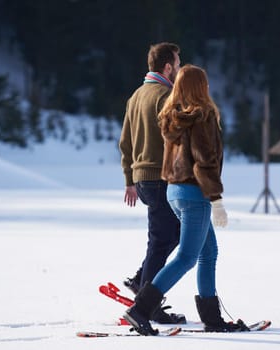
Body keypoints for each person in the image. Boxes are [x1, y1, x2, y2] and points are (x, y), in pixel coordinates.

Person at [123, 64, 248, 335]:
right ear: (200, 88)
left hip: (174, 192)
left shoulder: (172, 116)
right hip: (194, 194)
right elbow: (205, 162)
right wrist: (216, 200)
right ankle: (140, 310)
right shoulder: (202, 117)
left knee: (208, 252)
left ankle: (212, 320)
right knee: (186, 257)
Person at [118, 42, 185, 324]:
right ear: (167, 67)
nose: (179, 69)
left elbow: (125, 142)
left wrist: (129, 180)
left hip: (143, 180)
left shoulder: (136, 96)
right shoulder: (165, 95)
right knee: (163, 240)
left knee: (173, 235)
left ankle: (141, 282)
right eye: (178, 64)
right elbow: (176, 138)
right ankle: (148, 302)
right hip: (160, 178)